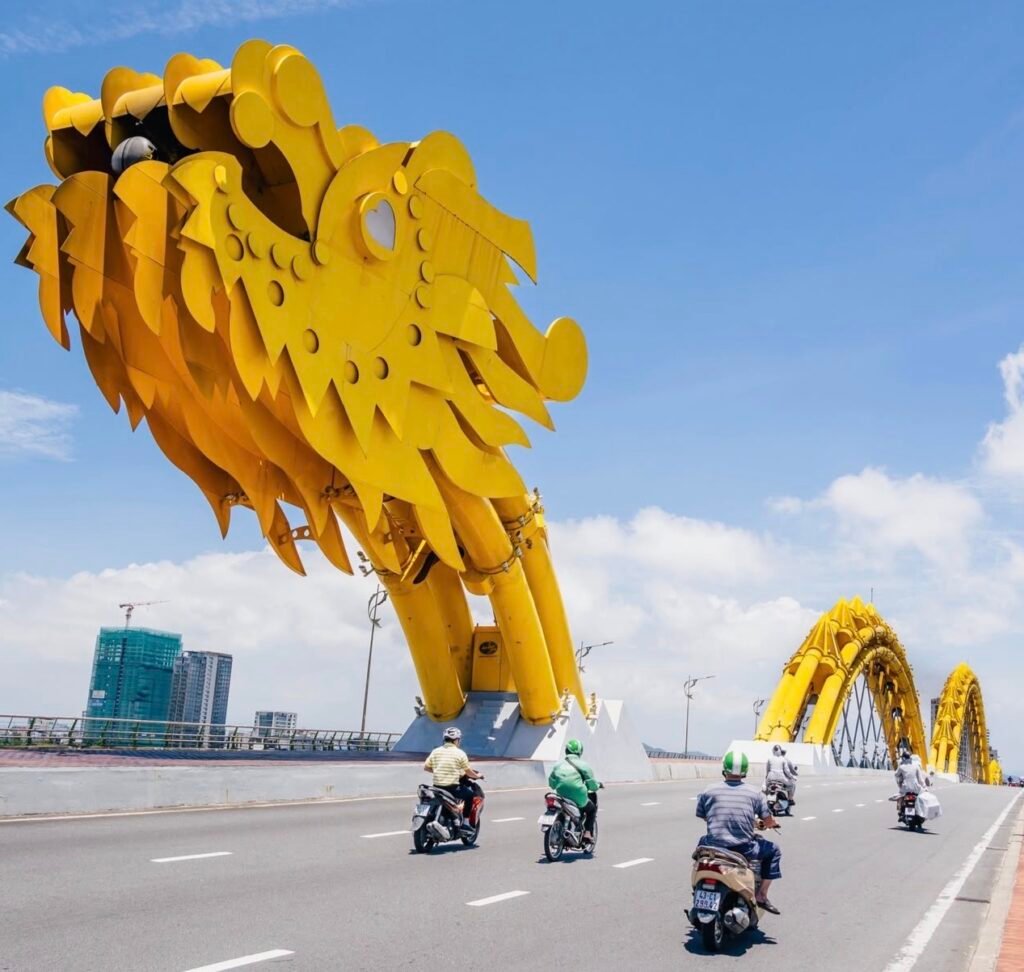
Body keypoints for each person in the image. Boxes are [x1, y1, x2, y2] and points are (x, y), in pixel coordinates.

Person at [697, 749, 783, 914]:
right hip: (743, 848)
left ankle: (698, 884)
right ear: (744, 771)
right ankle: (762, 895)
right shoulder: (755, 793)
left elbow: (704, 816)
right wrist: (772, 823)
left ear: (725, 769)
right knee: (774, 850)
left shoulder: (708, 791)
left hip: (714, 846)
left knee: (700, 848)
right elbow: (767, 820)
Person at [422, 727, 483, 833]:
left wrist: (438, 771)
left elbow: (426, 767)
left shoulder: (435, 751)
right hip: (452, 788)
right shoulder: (460, 753)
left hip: (436, 787)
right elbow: (468, 772)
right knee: (470, 796)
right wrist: (478, 776)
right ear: (456, 740)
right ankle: (466, 823)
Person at [548, 738, 601, 841]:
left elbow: (552, 783)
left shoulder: (558, 765)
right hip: (578, 797)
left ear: (566, 751)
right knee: (592, 809)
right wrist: (597, 786)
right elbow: (593, 786)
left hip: (561, 795)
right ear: (580, 752)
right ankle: (587, 834)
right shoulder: (584, 766)